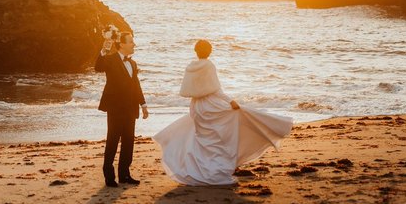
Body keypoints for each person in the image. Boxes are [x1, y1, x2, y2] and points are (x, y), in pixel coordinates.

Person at [153, 39, 292, 186]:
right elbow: (216, 89)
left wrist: (193, 108)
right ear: (209, 51)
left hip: (197, 106)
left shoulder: (190, 67)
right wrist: (230, 101)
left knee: (203, 139)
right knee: (218, 138)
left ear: (196, 52)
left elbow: (191, 92)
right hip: (211, 104)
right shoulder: (209, 65)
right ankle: (215, 172)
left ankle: (202, 171)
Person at [95, 29, 148, 187]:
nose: (134, 44)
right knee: (112, 141)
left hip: (131, 108)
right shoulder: (110, 59)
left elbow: (136, 85)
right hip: (115, 107)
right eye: (131, 41)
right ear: (122, 44)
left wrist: (143, 104)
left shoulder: (132, 63)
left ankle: (124, 174)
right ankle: (109, 177)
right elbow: (98, 67)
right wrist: (105, 48)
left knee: (128, 141)